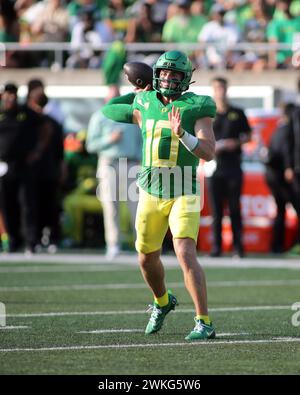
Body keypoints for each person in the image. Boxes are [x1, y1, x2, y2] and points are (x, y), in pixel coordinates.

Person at [102, 50, 216, 341]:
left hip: (184, 188)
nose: (168, 78)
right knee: (145, 258)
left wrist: (184, 136)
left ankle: (203, 322)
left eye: (175, 74)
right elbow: (110, 109)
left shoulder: (197, 105)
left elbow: (209, 151)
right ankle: (163, 302)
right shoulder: (144, 101)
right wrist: (140, 92)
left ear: (186, 79)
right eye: (164, 72)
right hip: (151, 189)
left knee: (185, 253)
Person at [86, 85, 143, 260]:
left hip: (133, 163)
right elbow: (90, 145)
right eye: (112, 97)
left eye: (117, 96)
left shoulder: (131, 116)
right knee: (111, 206)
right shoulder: (99, 117)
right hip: (109, 163)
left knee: (138, 207)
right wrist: (109, 139)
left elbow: (142, 140)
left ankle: (142, 245)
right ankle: (113, 244)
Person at [208, 77, 251, 258]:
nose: (220, 91)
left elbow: (248, 136)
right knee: (216, 210)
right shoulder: (208, 114)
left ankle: (238, 247)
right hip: (213, 167)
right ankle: (216, 247)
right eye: (217, 88)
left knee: (234, 208)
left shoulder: (237, 112)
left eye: (222, 88)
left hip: (233, 167)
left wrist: (237, 142)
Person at [263, 103, 300, 253]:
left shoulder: (277, 129)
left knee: (280, 211)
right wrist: (288, 168)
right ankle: (295, 244)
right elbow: (286, 150)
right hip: (281, 177)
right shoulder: (287, 130)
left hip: (272, 175)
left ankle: (277, 246)